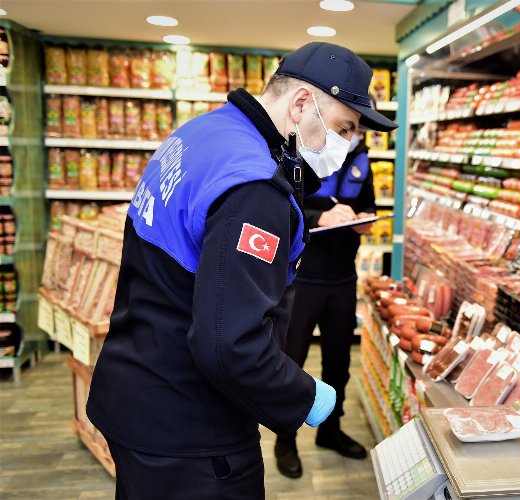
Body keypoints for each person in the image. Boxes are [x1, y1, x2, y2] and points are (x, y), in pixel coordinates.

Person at [86, 41, 397, 499]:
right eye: (343, 127)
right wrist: (307, 396)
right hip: (191, 427)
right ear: (300, 104)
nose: (346, 145)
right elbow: (229, 345)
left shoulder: (203, 133)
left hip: (137, 385)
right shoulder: (255, 186)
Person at [274, 113, 378, 478]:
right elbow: (287, 205)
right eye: (348, 127)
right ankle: (284, 440)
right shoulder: (301, 155)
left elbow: (370, 205)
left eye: (358, 129)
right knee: (291, 360)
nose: (352, 135)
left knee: (338, 363)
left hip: (343, 279)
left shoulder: (363, 161)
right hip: (304, 278)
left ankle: (330, 432)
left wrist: (365, 219)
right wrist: (321, 218)